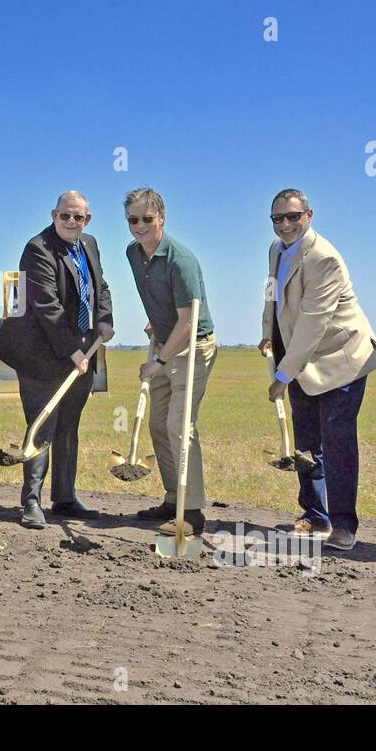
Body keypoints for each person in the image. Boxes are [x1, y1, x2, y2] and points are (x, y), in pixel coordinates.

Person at [259, 189, 376, 550]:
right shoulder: (276, 250)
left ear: (309, 215)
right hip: (302, 358)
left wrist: (283, 376)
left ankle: (344, 525)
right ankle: (316, 515)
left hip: (341, 360)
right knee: (306, 441)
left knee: (337, 441)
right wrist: (268, 334)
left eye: (293, 216)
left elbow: (313, 322)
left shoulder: (323, 257)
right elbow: (272, 295)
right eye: (278, 218)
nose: (285, 224)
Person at [0, 191, 113, 528]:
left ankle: (65, 497)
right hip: (41, 354)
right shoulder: (38, 249)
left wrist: (105, 320)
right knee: (41, 426)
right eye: (65, 216)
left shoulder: (89, 244)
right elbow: (46, 305)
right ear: (53, 215)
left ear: (87, 219)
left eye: (79, 217)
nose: (72, 222)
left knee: (68, 427)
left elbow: (100, 286)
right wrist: (73, 350)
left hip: (82, 349)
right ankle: (31, 502)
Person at [123, 187, 219, 539]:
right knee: (159, 426)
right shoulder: (133, 253)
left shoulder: (181, 259)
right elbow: (162, 299)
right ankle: (173, 497)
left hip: (192, 347)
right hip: (165, 339)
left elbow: (189, 321)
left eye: (147, 219)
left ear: (161, 218)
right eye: (133, 220)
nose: (140, 226)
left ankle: (191, 512)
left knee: (180, 425)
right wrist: (157, 322)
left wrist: (158, 362)